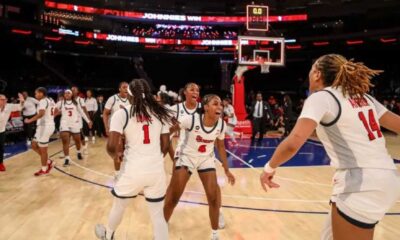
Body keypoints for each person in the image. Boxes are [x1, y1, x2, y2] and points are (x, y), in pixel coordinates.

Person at [260, 54, 400, 240]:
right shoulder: (363, 97)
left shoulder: (321, 98)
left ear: (317, 74)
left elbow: (293, 143)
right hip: (386, 177)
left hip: (360, 183)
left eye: (311, 70)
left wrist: (269, 168)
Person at [95, 79, 172, 240]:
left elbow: (111, 146)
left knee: (119, 206)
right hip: (156, 170)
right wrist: (155, 158)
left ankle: (108, 236)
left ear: (129, 95)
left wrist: (115, 155)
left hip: (133, 169)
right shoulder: (160, 112)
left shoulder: (121, 113)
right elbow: (165, 145)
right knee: (158, 216)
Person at [164, 94, 236, 240]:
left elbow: (221, 146)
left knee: (214, 198)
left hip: (205, 158)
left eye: (221, 104)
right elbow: (168, 131)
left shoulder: (221, 124)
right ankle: (161, 226)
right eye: (215, 104)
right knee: (174, 198)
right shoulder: (190, 120)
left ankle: (215, 235)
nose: (220, 107)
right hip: (186, 156)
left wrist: (227, 170)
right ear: (206, 107)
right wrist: (165, 147)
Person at [54, 89, 92, 166]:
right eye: (65, 93)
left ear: (71, 95)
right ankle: (67, 159)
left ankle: (78, 152)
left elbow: (81, 112)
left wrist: (88, 121)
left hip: (75, 124)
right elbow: (52, 110)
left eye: (68, 93)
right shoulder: (60, 103)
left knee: (77, 141)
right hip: (64, 124)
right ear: (64, 95)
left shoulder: (76, 103)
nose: (67, 94)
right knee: (65, 142)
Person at [25, 87, 56, 176]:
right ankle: (49, 161)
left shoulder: (43, 101)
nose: (35, 95)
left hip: (45, 127)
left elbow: (41, 114)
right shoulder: (50, 100)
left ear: (41, 93)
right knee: (34, 145)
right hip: (43, 126)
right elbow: (55, 110)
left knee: (43, 150)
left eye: (36, 93)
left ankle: (44, 169)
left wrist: (29, 120)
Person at [102, 82, 131, 176]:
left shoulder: (131, 99)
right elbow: (105, 113)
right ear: (119, 89)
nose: (126, 89)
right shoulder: (113, 99)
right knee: (117, 152)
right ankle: (117, 174)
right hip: (116, 130)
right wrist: (107, 127)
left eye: (127, 87)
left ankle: (126, 172)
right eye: (124, 87)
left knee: (128, 154)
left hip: (128, 130)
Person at [0, 93, 24, 172]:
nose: (4, 101)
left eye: (5, 99)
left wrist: (22, 101)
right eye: (2, 100)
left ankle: (1, 164)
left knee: (1, 148)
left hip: (2, 130)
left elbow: (20, 107)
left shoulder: (9, 106)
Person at [71, 86, 91, 154]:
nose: (73, 91)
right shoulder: (68, 99)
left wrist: (88, 119)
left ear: (77, 91)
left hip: (78, 119)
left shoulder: (80, 99)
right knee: (69, 135)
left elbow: (84, 110)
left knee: (80, 134)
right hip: (70, 120)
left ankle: (84, 147)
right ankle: (66, 151)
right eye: (72, 90)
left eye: (74, 90)